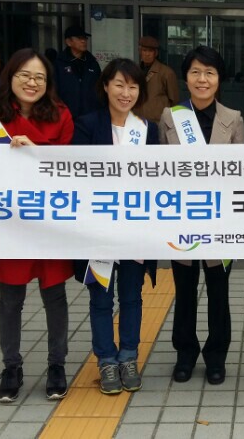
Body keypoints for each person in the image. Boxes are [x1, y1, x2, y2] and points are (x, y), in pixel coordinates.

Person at [0, 48, 74, 404]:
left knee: (55, 296)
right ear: (9, 77)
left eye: (39, 77)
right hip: (8, 222)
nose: (32, 83)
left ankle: (57, 364)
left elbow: (70, 166)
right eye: (24, 75)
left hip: (49, 221)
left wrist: (36, 151)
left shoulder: (61, 114)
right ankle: (11, 366)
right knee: (10, 297)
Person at [159, 46, 244, 386]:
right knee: (184, 291)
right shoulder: (170, 117)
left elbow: (241, 173)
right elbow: (160, 170)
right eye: (195, 72)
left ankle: (216, 356)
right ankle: (185, 353)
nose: (202, 79)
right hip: (182, 220)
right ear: (186, 77)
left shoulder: (234, 118)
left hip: (221, 222)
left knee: (218, 292)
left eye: (209, 72)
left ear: (219, 78)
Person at [72, 58, 158, 395]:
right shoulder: (86, 125)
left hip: (136, 230)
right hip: (99, 229)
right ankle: (106, 361)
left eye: (133, 86)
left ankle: (128, 357)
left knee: (132, 297)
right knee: (101, 299)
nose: (126, 92)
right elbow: (74, 172)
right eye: (119, 84)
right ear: (106, 86)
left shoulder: (148, 130)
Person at [54, 25, 102, 119]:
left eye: (85, 38)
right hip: (65, 117)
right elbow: (54, 91)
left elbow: (100, 89)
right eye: (79, 38)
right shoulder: (59, 64)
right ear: (68, 42)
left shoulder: (92, 63)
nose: (83, 41)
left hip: (90, 116)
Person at [134, 35, 179, 123]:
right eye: (144, 50)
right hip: (137, 120)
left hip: (158, 121)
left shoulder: (166, 72)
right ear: (140, 52)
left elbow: (174, 100)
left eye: (150, 51)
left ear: (156, 53)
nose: (147, 54)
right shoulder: (135, 71)